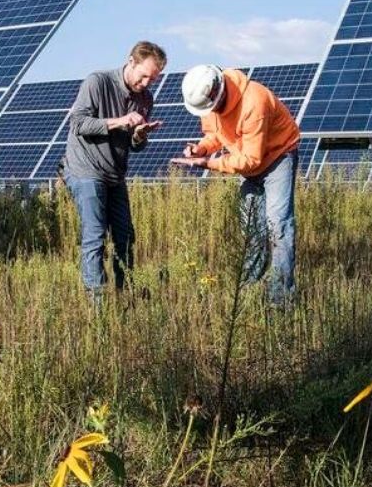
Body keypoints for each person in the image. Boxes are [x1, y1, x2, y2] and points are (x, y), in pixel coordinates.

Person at [171, 65, 300, 308]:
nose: (210, 112)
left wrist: (208, 163)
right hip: (245, 159)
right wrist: (200, 149)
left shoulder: (254, 102)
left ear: (218, 92)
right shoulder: (209, 104)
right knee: (252, 228)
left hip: (278, 157)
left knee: (278, 225)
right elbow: (214, 134)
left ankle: (280, 300)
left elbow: (252, 160)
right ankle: (249, 291)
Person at [64, 41, 166, 303]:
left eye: (152, 79)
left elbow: (134, 146)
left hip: (114, 173)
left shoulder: (145, 99)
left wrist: (140, 136)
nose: (146, 83)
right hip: (85, 169)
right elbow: (78, 123)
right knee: (95, 235)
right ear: (130, 62)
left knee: (125, 236)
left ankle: (125, 296)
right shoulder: (97, 82)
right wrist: (121, 120)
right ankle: (97, 305)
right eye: (143, 75)